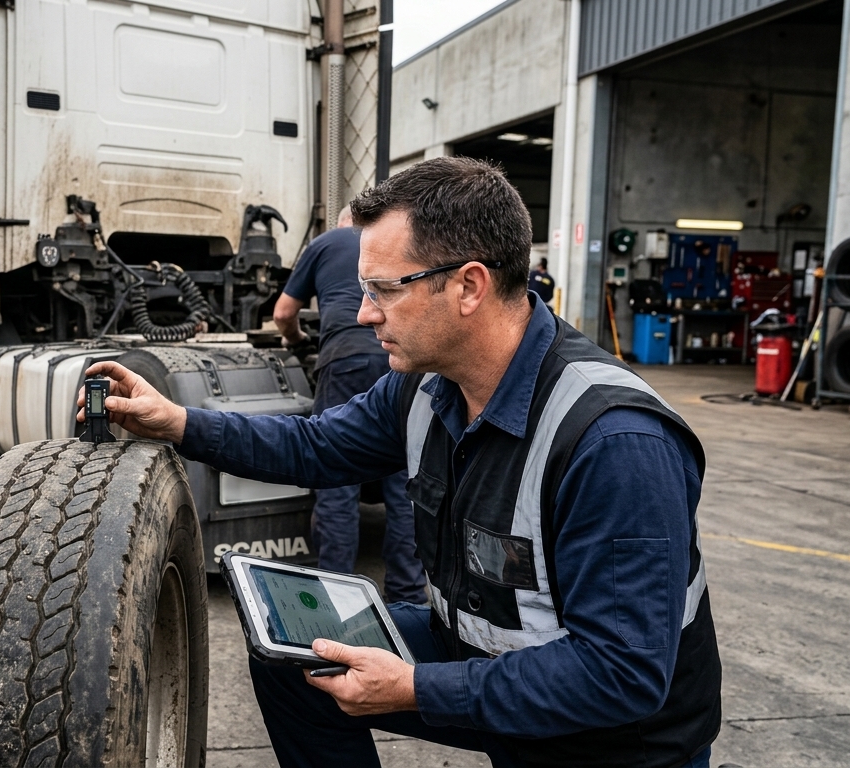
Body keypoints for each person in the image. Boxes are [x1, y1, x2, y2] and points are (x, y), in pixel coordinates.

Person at [78, 157, 721, 768]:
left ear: (469, 285)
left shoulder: (616, 446)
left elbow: (621, 675)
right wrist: (180, 422)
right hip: (479, 650)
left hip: (612, 743)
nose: (363, 314)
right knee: (297, 660)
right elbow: (319, 446)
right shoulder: (429, 384)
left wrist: (416, 688)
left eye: (384, 289)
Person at [271, 206, 427, 605]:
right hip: (401, 355)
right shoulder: (397, 240)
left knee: (337, 475)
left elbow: (283, 313)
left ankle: (336, 598)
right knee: (404, 482)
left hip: (344, 359)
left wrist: (297, 340)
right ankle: (407, 599)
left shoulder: (324, 243)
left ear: (341, 224)